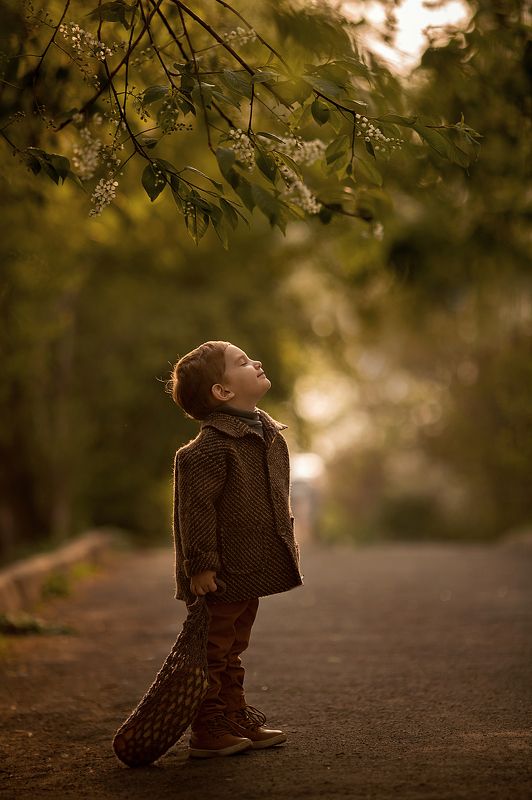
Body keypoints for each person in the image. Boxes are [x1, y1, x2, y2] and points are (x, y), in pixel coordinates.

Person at [168, 340, 303, 758]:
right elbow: (196, 513)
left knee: (233, 647)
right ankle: (207, 727)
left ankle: (234, 714)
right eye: (242, 362)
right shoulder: (208, 449)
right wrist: (201, 566)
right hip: (219, 573)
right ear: (223, 392)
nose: (256, 362)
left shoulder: (265, 435)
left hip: (249, 568)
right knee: (212, 649)